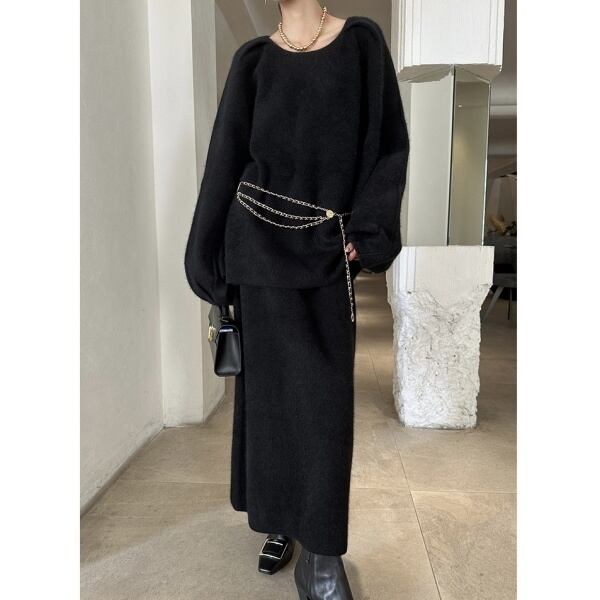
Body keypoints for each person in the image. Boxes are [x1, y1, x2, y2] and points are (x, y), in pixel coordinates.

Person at [184, 1, 409, 597]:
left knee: (324, 407)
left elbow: (389, 146)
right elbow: (225, 160)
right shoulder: (253, 60)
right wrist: (207, 258)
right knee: (271, 404)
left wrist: (369, 231)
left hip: (326, 248)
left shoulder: (360, 43)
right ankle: (282, 520)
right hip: (256, 250)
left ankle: (322, 553)